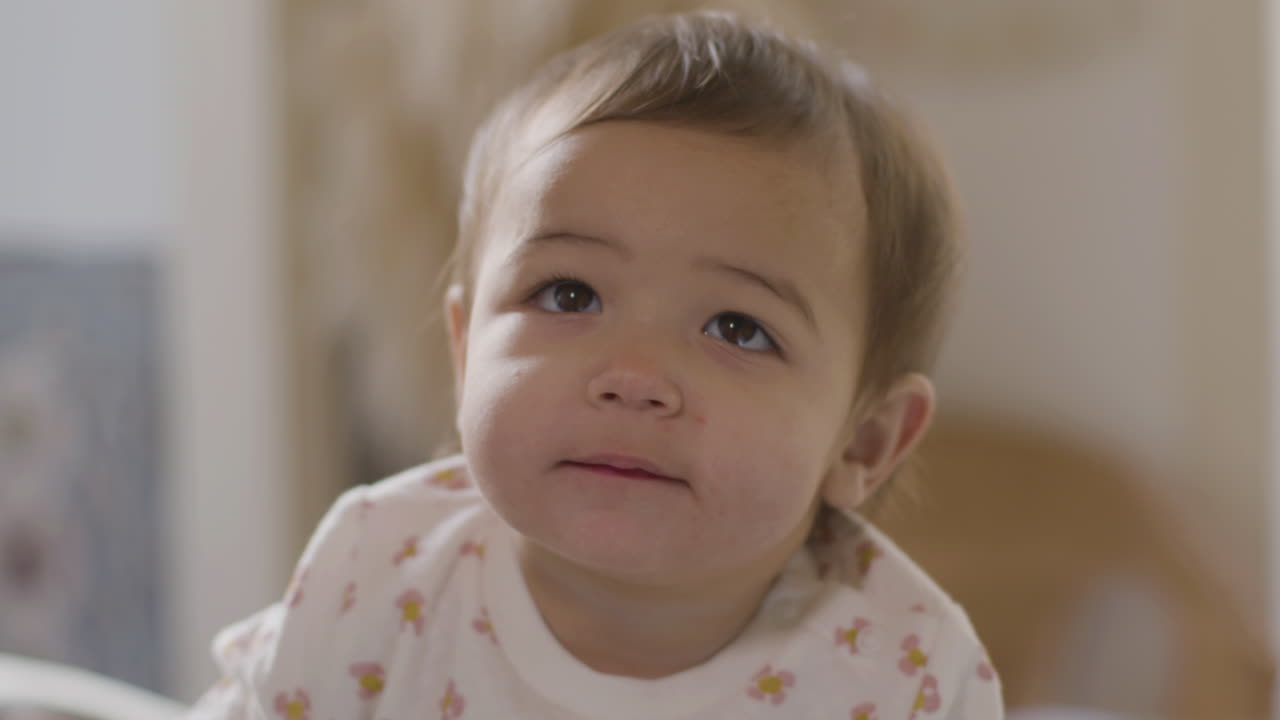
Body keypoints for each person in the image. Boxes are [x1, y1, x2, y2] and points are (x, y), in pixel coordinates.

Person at [189, 11, 1003, 719]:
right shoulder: (380, 575)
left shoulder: (904, 674)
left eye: (736, 327)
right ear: (466, 349)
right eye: (569, 294)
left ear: (863, 442)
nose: (634, 373)